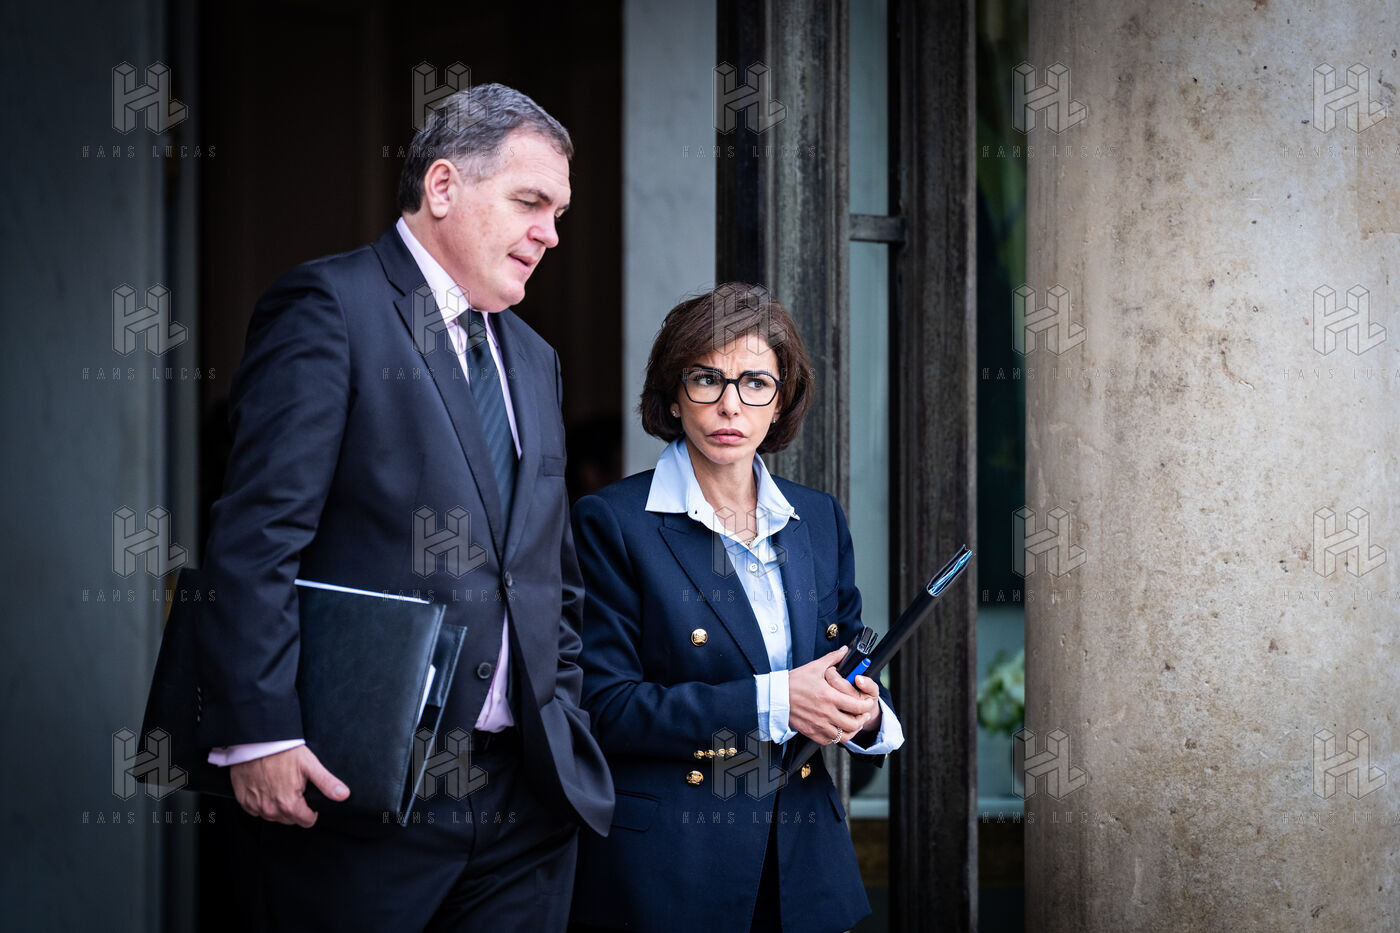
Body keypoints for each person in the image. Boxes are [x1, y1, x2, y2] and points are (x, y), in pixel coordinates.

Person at [195, 83, 613, 931]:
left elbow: (548, 571)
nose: (550, 233)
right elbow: (257, 538)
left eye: (559, 213)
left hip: (522, 804)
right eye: (530, 202)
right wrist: (262, 732)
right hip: (358, 795)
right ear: (444, 186)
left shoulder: (535, 356)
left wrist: (560, 717)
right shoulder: (330, 308)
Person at [568, 285, 904, 932]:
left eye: (755, 383)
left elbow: (844, 660)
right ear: (673, 396)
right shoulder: (612, 522)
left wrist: (865, 714)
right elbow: (603, 708)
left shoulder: (818, 519)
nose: (730, 404)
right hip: (671, 868)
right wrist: (775, 701)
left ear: (779, 403)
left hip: (806, 866)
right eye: (706, 379)